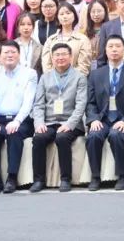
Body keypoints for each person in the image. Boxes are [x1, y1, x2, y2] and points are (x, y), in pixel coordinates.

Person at [29, 43, 87, 193]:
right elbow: (38, 104)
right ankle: (39, 180)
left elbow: (81, 105)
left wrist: (69, 124)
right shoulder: (45, 77)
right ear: (52, 57)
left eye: (64, 54)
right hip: (49, 122)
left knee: (62, 138)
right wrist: (39, 123)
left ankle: (65, 179)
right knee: (39, 138)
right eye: (57, 55)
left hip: (70, 123)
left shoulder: (79, 77)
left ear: (71, 57)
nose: (60, 57)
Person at [85, 35, 124, 191]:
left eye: (118, 46)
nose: (114, 49)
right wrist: (93, 119)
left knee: (116, 135)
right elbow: (90, 102)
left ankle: (123, 177)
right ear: (105, 50)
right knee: (93, 136)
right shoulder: (96, 74)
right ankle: (95, 177)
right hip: (102, 119)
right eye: (110, 46)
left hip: (123, 120)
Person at [0, 41, 38, 194]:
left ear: (19, 55)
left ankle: (12, 178)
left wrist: (17, 121)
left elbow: (28, 102)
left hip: (22, 120)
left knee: (14, 132)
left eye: (13, 52)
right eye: (6, 52)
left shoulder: (30, 74)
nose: (10, 55)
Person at [40, 3, 93, 75]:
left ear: (74, 16)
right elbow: (46, 66)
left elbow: (84, 67)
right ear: (57, 18)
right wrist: (55, 79)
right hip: (53, 80)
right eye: (61, 14)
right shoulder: (51, 40)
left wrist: (68, 79)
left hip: (76, 80)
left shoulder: (82, 39)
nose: (65, 16)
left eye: (68, 13)